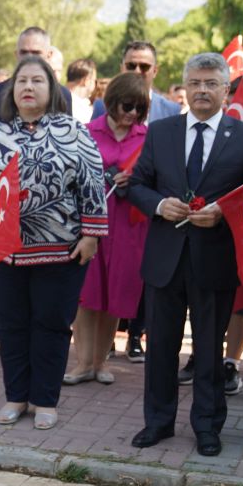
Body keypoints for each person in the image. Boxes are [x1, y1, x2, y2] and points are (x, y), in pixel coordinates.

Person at [127, 52, 243, 456]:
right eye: (195, 83)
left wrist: (224, 211)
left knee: (208, 351)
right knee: (161, 349)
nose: (202, 90)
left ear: (227, 90)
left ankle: (207, 426)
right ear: (184, 88)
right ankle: (158, 422)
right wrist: (157, 205)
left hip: (215, 258)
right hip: (165, 258)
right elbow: (137, 185)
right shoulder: (161, 131)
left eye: (211, 84)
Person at [0, 55, 108, 430]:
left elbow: (94, 185)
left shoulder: (74, 132)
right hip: (4, 249)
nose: (28, 87)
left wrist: (93, 236)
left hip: (60, 249)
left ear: (53, 90)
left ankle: (45, 398)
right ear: (11, 92)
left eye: (37, 81)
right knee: (12, 323)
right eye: (21, 82)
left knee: (52, 323)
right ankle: (16, 396)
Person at [0, 28, 75, 363]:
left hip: (45, 209)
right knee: (1, 275)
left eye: (36, 51)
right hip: (4, 201)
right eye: (22, 52)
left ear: (49, 56)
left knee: (41, 285)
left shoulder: (62, 93)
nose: (28, 57)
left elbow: (67, 149)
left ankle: (33, 343)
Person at [67, 72, 150, 385]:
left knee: (115, 295)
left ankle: (101, 362)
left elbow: (155, 177)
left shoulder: (147, 138)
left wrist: (135, 180)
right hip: (90, 224)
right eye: (127, 105)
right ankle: (82, 363)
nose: (132, 114)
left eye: (139, 109)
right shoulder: (88, 131)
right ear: (113, 101)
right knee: (87, 295)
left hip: (129, 227)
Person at [92, 41, 182, 122]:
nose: (137, 71)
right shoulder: (102, 107)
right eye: (131, 66)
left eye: (144, 66)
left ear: (155, 71)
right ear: (122, 69)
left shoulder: (172, 110)